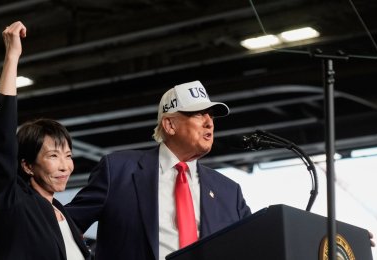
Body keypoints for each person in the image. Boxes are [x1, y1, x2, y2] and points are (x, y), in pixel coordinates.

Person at [66, 80, 252, 260]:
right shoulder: (117, 171)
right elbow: (64, 226)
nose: (209, 122)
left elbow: (254, 245)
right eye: (198, 114)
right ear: (170, 125)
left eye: (210, 115)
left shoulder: (229, 192)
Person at [0, 21, 90, 260]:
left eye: (68, 156)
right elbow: (3, 138)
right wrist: (12, 57)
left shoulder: (64, 216)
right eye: (53, 155)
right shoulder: (14, 203)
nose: (65, 166)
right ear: (26, 165)